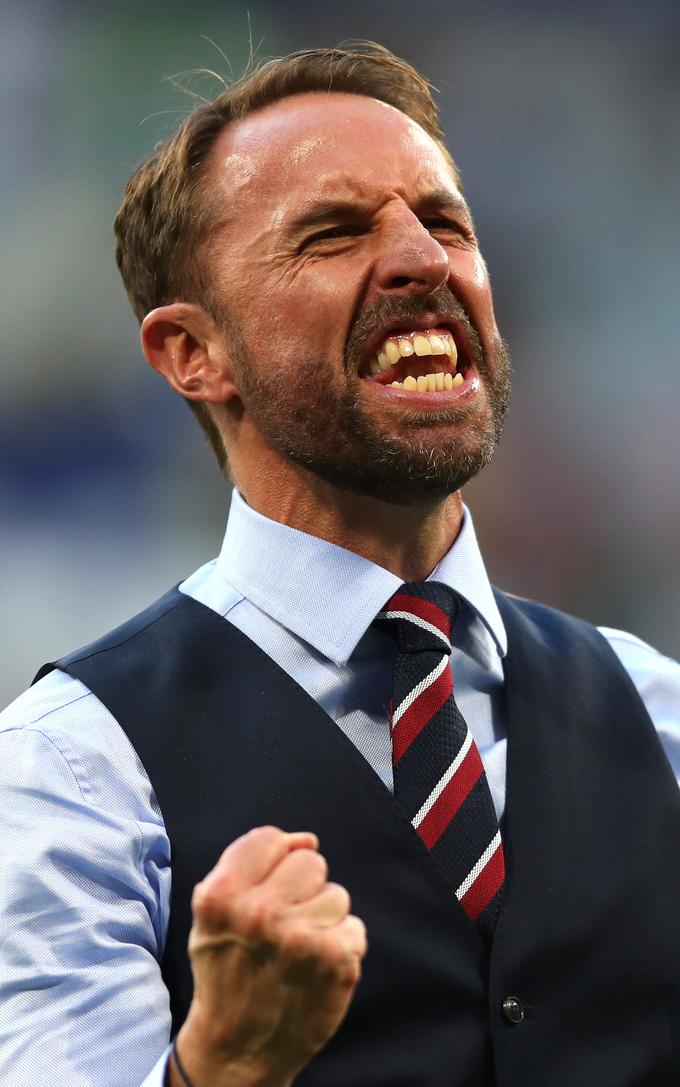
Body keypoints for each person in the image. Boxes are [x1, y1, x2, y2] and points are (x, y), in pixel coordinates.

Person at [0, 42, 678, 1087]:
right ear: (193, 352)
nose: (422, 259)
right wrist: (219, 1066)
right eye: (332, 234)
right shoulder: (72, 771)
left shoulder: (654, 712)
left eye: (445, 221)